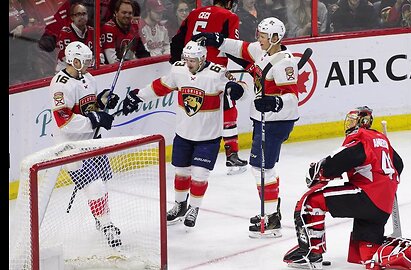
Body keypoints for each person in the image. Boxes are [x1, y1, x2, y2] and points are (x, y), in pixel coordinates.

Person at [192, 17, 299, 238]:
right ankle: (271, 212)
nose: (258, 39)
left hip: (276, 121)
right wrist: (217, 40)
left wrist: (276, 102)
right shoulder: (262, 51)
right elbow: (239, 48)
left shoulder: (285, 62)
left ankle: (272, 221)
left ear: (275, 38)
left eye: (262, 36)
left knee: (261, 169)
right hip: (263, 119)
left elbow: (292, 97)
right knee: (263, 168)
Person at [121, 41, 247, 228]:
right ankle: (180, 205)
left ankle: (193, 208)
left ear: (203, 58)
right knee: (181, 173)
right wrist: (138, 96)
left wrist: (237, 89)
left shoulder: (217, 73)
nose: (188, 63)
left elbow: (240, 87)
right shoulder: (179, 70)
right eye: (186, 59)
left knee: (199, 175)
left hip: (208, 137)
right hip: (184, 134)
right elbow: (160, 86)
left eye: (193, 60)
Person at [281, 106, 404, 268]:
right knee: (368, 250)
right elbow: (399, 165)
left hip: (367, 197)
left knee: (311, 201)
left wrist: (318, 170)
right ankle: (395, 255)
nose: (349, 125)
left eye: (352, 121)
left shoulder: (360, 137)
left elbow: (339, 160)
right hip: (383, 206)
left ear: (362, 122)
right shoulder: (380, 138)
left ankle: (312, 254)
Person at [49, 41, 122, 248]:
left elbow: (88, 106)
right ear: (73, 60)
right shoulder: (60, 84)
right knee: (95, 186)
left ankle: (101, 220)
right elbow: (64, 121)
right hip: (71, 147)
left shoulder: (88, 77)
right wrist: (95, 119)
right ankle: (107, 225)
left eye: (90, 59)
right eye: (86, 60)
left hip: (93, 142)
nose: (90, 63)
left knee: (102, 184)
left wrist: (103, 101)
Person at [170, 0, 250, 175]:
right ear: (228, 2)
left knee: (191, 111)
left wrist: (178, 67)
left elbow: (176, 40)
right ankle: (232, 155)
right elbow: (232, 47)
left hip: (189, 69)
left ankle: (188, 158)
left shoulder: (194, 13)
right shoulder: (229, 16)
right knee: (228, 108)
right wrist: (251, 66)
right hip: (213, 71)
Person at [101, 0, 150, 64]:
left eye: (130, 13)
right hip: (113, 71)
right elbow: (112, 61)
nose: (127, 16)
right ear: (116, 12)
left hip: (129, 66)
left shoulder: (135, 26)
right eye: (124, 13)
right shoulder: (108, 28)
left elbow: (143, 53)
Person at [55, 2, 95, 72]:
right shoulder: (65, 32)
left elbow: (99, 55)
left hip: (86, 69)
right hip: (66, 71)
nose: (82, 17)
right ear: (72, 17)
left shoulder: (92, 31)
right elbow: (66, 58)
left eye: (84, 14)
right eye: (78, 14)